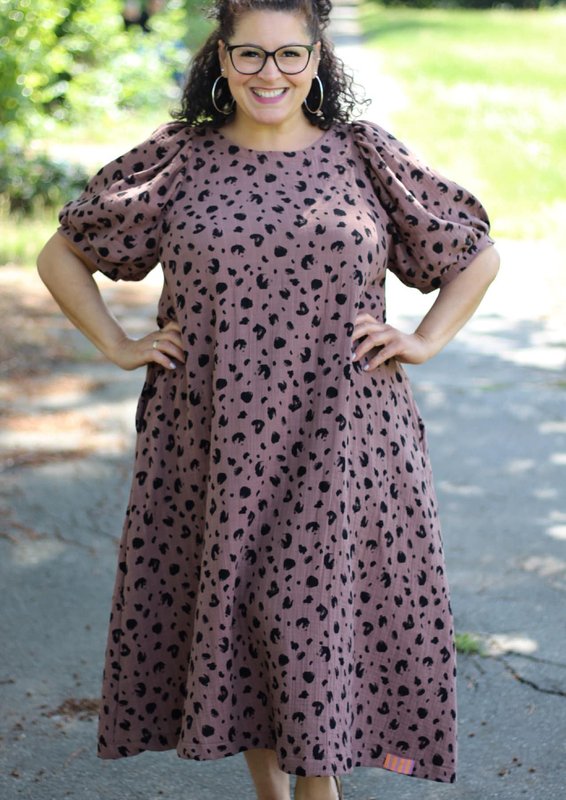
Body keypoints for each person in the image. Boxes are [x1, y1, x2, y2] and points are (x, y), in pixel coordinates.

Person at [36, 1, 500, 798]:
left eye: (290, 55)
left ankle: (315, 790)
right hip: (212, 437)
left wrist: (424, 340)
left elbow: (474, 255)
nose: (270, 73)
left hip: (341, 436)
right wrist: (117, 344)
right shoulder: (181, 160)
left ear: (318, 59)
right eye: (250, 54)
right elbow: (62, 253)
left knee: (308, 613)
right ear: (222, 57)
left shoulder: (364, 156)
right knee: (240, 611)